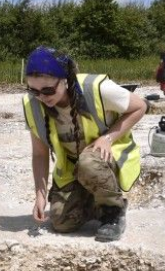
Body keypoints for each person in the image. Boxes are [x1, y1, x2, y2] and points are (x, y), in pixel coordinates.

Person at [22, 46, 146, 242]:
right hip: (75, 168)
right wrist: (40, 194)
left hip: (104, 158)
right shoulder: (33, 106)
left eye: (47, 90)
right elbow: (39, 154)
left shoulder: (95, 88)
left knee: (88, 162)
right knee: (61, 222)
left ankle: (113, 212)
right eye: (33, 90)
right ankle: (95, 205)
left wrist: (107, 138)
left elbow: (140, 106)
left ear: (65, 80)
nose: (41, 97)